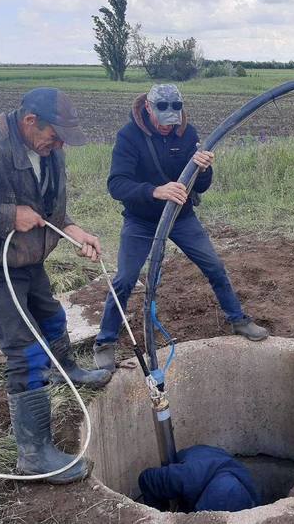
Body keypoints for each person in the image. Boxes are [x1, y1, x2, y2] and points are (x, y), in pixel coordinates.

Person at [0, 88, 110, 483]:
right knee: (24, 348)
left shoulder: (49, 150)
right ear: (30, 120)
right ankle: (35, 454)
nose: (60, 143)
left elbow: (51, 212)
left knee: (50, 316)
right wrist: (6, 216)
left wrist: (73, 229)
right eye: (55, 134)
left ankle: (68, 369)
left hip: (26, 260)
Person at [93, 84, 269, 372]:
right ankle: (105, 341)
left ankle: (238, 319)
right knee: (125, 279)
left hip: (181, 217)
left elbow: (201, 185)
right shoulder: (129, 136)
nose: (168, 127)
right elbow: (116, 184)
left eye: (173, 120)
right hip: (141, 220)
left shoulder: (187, 132)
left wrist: (204, 168)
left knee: (214, 266)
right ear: (149, 108)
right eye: (163, 121)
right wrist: (155, 191)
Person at [138, 445, 260, 513]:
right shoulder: (183, 478)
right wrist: (160, 514)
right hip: (193, 465)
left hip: (216, 462)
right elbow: (146, 479)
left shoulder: (251, 496)